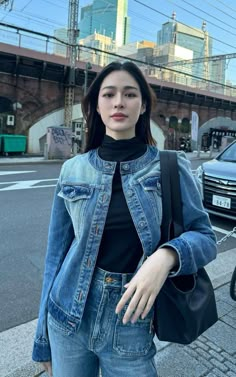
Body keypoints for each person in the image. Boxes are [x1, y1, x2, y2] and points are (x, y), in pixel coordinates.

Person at [32, 61, 217, 377]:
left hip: (132, 322)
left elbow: (205, 237)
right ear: (96, 106)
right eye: (109, 94)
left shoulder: (170, 166)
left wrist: (166, 257)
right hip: (67, 318)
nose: (119, 102)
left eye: (130, 94)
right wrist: (42, 339)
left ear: (143, 105)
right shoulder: (72, 169)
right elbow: (55, 257)